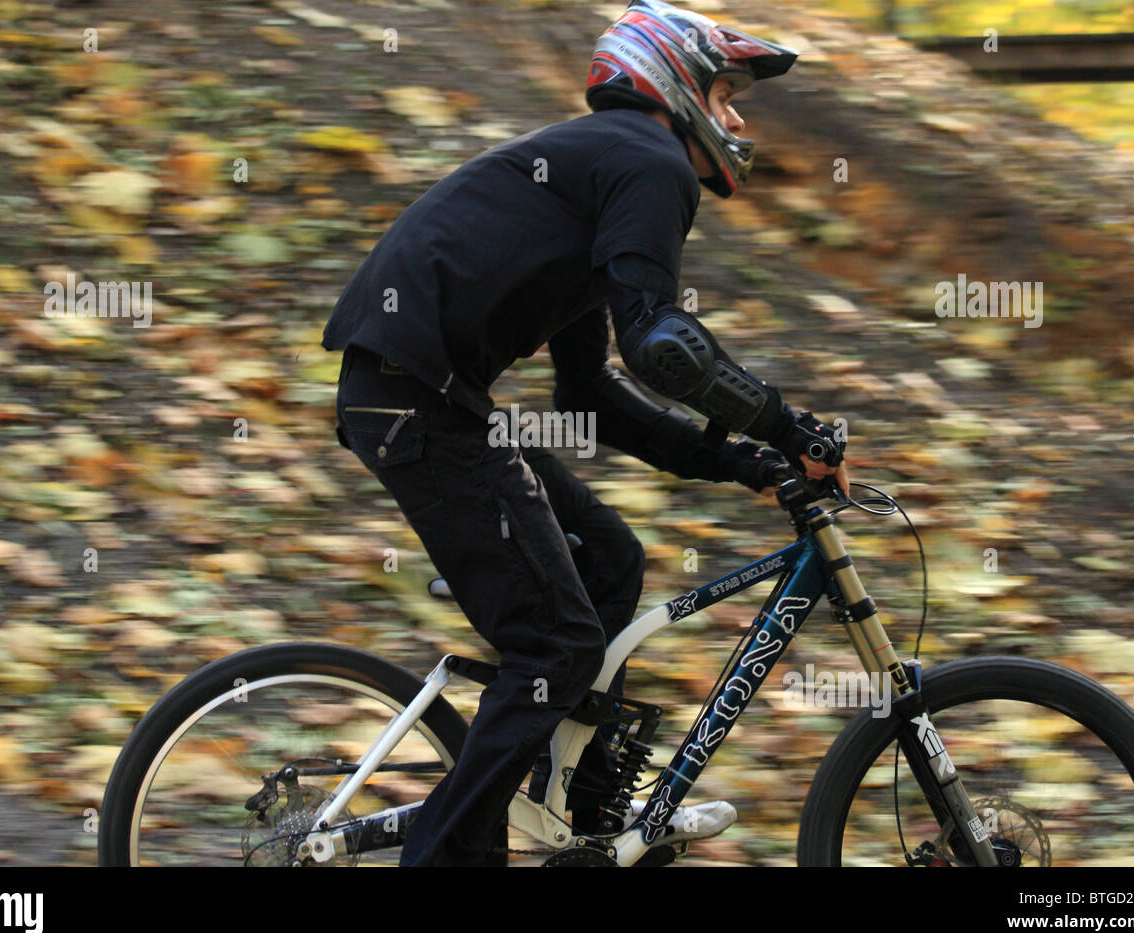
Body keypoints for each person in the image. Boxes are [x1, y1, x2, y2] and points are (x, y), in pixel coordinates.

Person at [324, 0, 848, 866]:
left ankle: (582, 808)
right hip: (415, 400)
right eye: (726, 94)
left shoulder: (600, 167)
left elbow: (591, 393)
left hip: (421, 395)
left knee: (610, 560)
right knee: (558, 645)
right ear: (673, 84)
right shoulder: (647, 163)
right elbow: (665, 344)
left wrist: (744, 462)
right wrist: (792, 428)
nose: (739, 117)